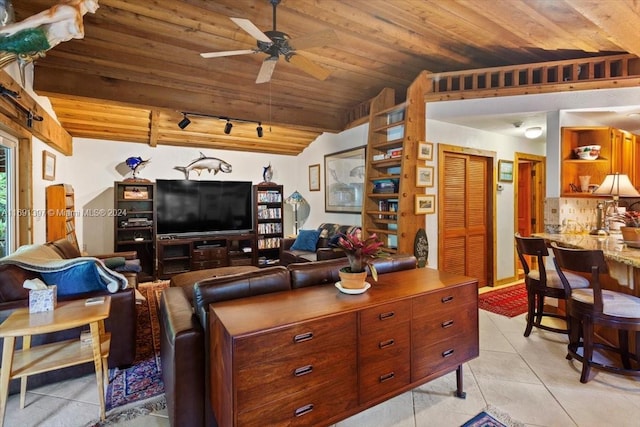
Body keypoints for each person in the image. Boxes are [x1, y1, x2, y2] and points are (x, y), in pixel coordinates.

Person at [0, 0, 99, 54]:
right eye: (95, 0)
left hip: (41, 46)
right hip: (34, 39)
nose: (97, 5)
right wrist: (11, 29)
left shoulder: (78, 17)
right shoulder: (69, 11)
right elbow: (38, 19)